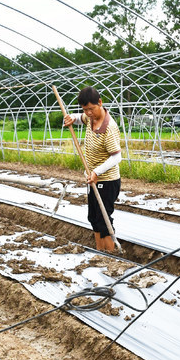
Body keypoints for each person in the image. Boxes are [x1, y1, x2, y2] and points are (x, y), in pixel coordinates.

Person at [62, 87, 122, 253]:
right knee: (93, 218)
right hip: (92, 178)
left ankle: (110, 255)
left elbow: (117, 157)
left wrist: (97, 172)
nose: (88, 113)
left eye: (91, 109)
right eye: (85, 109)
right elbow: (78, 118)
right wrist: (71, 118)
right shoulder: (90, 118)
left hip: (107, 180)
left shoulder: (109, 127)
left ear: (100, 103)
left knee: (104, 221)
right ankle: (99, 252)